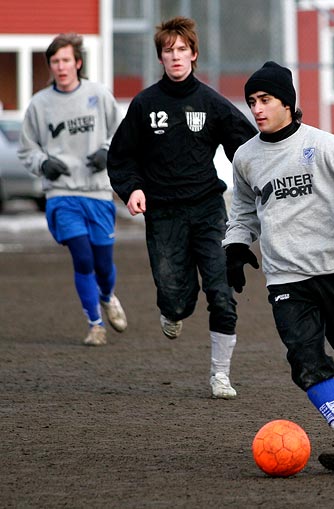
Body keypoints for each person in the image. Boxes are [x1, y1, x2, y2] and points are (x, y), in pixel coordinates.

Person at [222, 61, 334, 471]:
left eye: (265, 100)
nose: (257, 109)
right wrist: (234, 246)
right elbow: (243, 211)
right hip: (286, 278)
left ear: (287, 102)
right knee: (305, 358)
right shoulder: (247, 157)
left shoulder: (322, 145)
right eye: (252, 101)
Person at [107, 17, 257, 398]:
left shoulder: (210, 102)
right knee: (176, 298)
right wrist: (133, 189)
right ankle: (172, 311)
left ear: (193, 53)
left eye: (181, 49)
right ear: (160, 57)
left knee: (221, 292)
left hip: (209, 210)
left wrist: (273, 156)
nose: (175, 56)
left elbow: (246, 146)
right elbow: (122, 158)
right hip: (164, 215)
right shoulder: (145, 104)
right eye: (168, 50)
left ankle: (220, 376)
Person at [18, 33, 127, 347]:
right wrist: (43, 164)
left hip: (97, 192)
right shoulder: (39, 105)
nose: (61, 66)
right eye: (55, 61)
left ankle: (107, 296)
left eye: (66, 60)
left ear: (77, 63)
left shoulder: (99, 95)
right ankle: (95, 324)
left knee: (103, 265)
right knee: (82, 259)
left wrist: (107, 152)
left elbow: (120, 135)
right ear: (50, 66)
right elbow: (27, 150)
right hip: (61, 194)